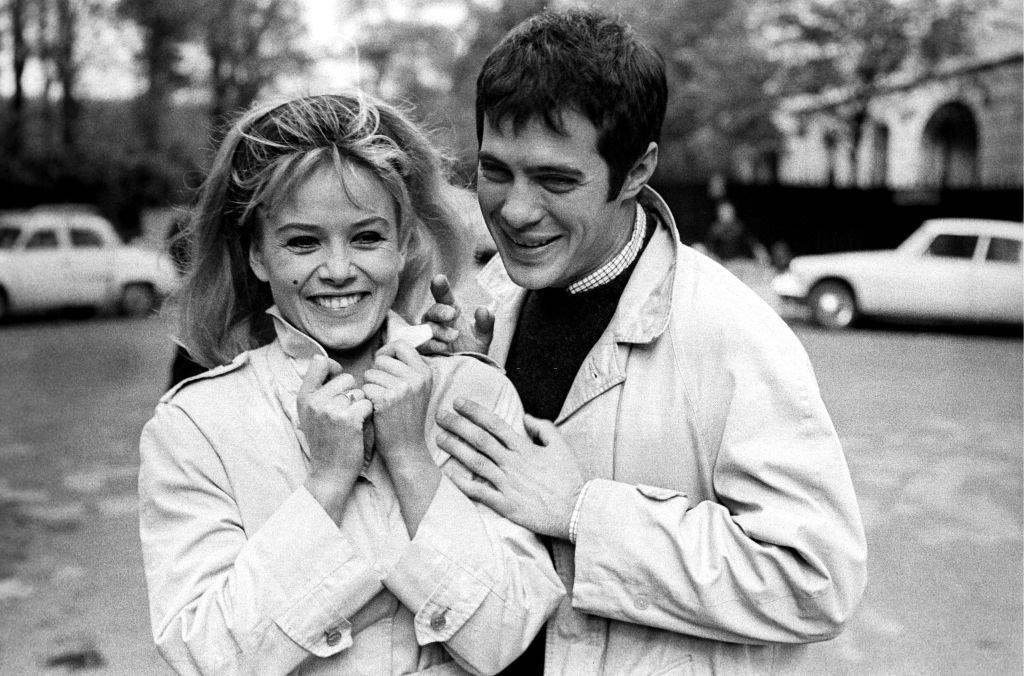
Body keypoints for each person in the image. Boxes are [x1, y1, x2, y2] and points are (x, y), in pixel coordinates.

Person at [423, 9, 867, 675]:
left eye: (555, 179)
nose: (514, 209)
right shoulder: (487, 301)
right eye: (496, 170)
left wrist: (581, 511)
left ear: (635, 171)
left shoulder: (733, 334)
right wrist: (462, 381)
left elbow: (815, 580)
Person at [138, 92, 564, 675]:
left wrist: (412, 459)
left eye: (365, 238)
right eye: (302, 242)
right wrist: (328, 480)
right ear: (257, 254)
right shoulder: (197, 424)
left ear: (403, 243)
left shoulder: (472, 392)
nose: (338, 270)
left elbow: (504, 637)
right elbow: (208, 653)